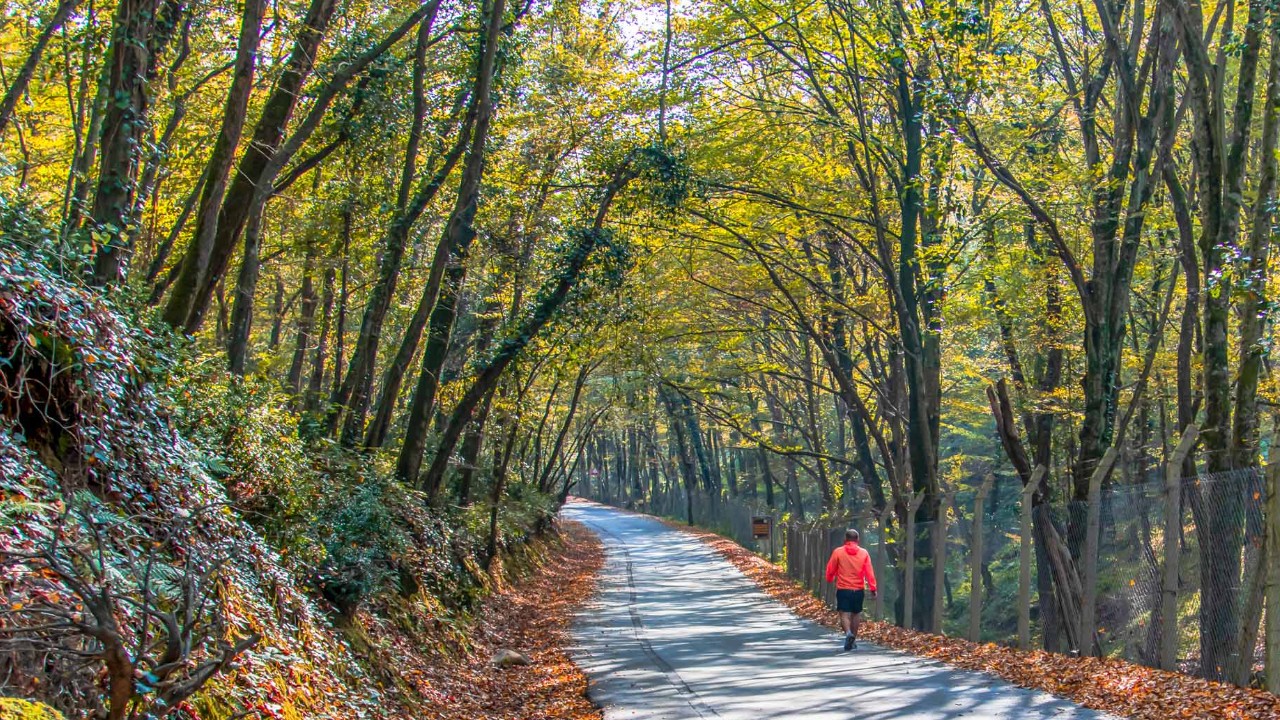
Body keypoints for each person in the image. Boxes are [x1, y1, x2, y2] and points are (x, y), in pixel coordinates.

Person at [825, 528, 877, 651]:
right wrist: (873, 588)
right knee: (856, 614)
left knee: (844, 613)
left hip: (843, 588)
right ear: (858, 540)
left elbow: (831, 568)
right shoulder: (864, 553)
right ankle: (853, 639)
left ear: (845, 540)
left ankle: (848, 633)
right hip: (858, 589)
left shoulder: (838, 552)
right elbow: (869, 572)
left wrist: (829, 578)